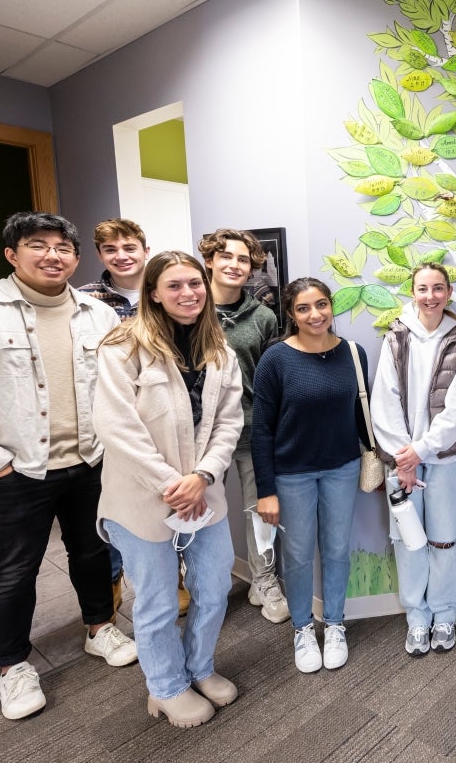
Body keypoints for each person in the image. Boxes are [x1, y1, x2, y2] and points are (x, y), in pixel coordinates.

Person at [0, 211, 136, 722]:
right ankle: (13, 666)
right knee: (14, 571)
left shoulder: (97, 313)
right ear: (11, 254)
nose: (52, 255)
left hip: (89, 461)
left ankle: (98, 628)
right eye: (37, 245)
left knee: (92, 553)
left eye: (63, 247)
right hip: (17, 471)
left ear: (76, 257)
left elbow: (117, 385)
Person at [94, 251, 243, 728]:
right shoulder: (122, 347)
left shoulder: (219, 351)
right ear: (153, 292)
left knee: (215, 587)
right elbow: (116, 427)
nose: (188, 294)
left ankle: (199, 667)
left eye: (195, 284)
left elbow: (228, 423)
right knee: (156, 600)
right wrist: (170, 484)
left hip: (205, 495)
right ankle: (165, 686)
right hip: (140, 498)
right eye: (175, 285)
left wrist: (202, 477)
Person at [252, 278, 368, 673]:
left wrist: (377, 459)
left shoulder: (353, 353)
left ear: (331, 307)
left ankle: (334, 624)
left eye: (321, 305)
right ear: (290, 315)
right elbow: (261, 428)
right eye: (303, 308)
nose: (315, 314)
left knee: (337, 550)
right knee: (299, 556)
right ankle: (303, 629)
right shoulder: (276, 359)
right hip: (292, 475)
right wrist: (266, 490)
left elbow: (360, 413)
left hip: (342, 468)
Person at [371, 263, 456, 656]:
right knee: (408, 540)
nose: (430, 296)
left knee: (445, 540)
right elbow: (384, 399)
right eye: (422, 288)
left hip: (445, 457)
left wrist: (423, 449)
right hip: (401, 461)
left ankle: (445, 613)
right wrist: (404, 456)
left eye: (438, 288)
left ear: (448, 293)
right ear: (412, 292)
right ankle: (417, 617)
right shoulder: (396, 336)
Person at [198, 228, 287, 624]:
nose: (235, 265)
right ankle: (203, 583)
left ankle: (263, 580)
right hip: (201, 434)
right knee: (203, 511)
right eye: (227, 257)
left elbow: (271, 378)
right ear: (211, 261)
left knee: (260, 510)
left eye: (244, 260)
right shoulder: (189, 309)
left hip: (253, 429)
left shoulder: (265, 316)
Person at [79, 217, 150, 617]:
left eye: (129, 248)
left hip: (160, 421)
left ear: (145, 250)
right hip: (108, 423)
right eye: (111, 250)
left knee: (164, 508)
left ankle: (173, 580)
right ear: (100, 255)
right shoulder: (85, 299)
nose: (121, 256)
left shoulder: (164, 290)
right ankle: (112, 589)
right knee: (111, 512)